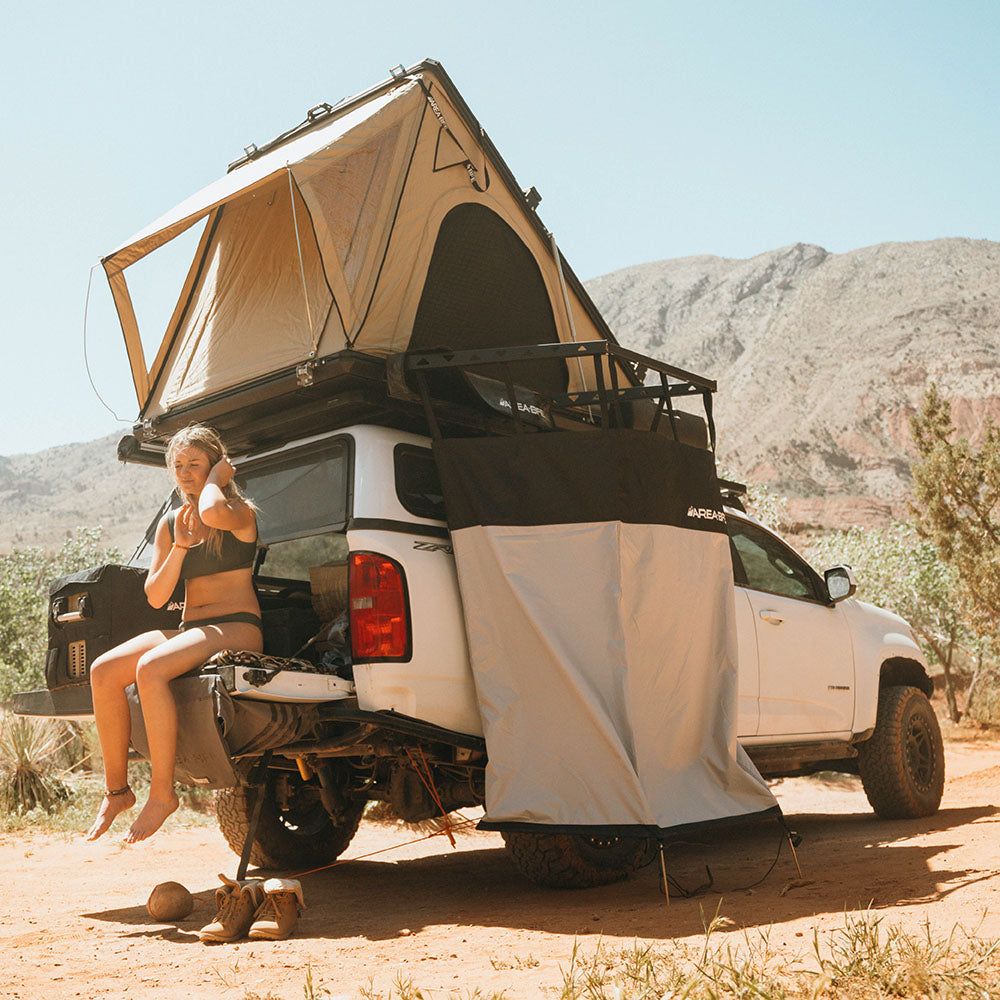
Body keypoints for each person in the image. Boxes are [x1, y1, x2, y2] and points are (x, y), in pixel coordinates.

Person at [85, 425, 263, 843]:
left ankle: (163, 794)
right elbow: (156, 596)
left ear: (217, 464)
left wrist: (219, 481)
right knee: (103, 671)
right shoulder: (171, 524)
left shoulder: (239, 513)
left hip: (237, 626)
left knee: (150, 668)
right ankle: (117, 790)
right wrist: (180, 547)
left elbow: (213, 513)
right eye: (178, 466)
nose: (184, 473)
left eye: (195, 465)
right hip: (192, 628)